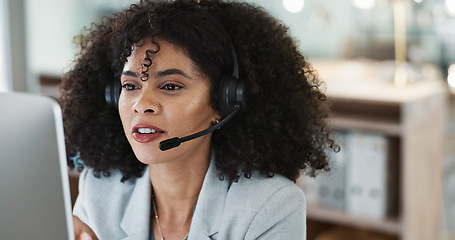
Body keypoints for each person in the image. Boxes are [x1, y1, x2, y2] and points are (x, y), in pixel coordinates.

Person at [59, 0, 337, 239]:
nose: (142, 105)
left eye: (170, 86)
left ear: (224, 102)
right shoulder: (99, 190)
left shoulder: (270, 205)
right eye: (130, 87)